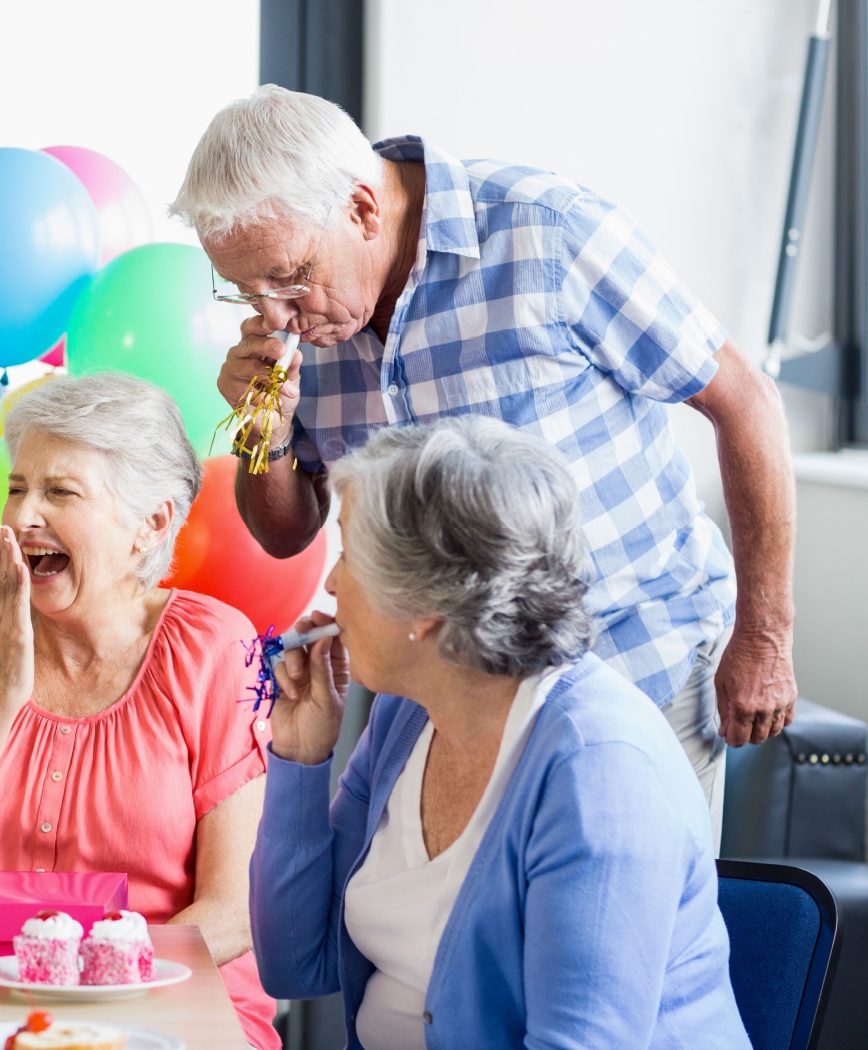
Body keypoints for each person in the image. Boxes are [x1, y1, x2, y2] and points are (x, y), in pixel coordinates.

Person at [171, 85, 798, 831]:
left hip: (632, 662)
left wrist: (764, 634)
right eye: (247, 291)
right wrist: (263, 433)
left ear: (364, 210)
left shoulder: (547, 233)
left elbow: (745, 402)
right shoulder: (305, 324)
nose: (275, 317)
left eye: (289, 277)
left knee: (618, 938)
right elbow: (285, 533)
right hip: (438, 704)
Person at [252, 415, 749, 1048]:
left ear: (426, 604)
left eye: (349, 553)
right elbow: (297, 962)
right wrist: (300, 755)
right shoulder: (409, 714)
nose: (329, 583)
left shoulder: (601, 770)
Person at [0, 373, 278, 1049]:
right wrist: (4, 689)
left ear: (149, 525)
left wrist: (85, 991)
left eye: (59, 492)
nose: (20, 516)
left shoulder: (215, 647)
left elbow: (234, 911)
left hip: (174, 1002)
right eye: (16, 488)